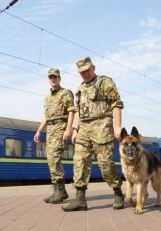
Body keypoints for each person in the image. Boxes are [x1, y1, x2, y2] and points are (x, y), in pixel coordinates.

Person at [62, 57, 125, 212]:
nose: (85, 74)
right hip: (84, 128)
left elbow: (116, 104)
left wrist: (117, 127)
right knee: (79, 161)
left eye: (87, 70)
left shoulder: (105, 82)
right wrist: (76, 130)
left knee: (105, 163)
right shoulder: (80, 88)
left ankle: (118, 192)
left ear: (94, 67)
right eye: (82, 72)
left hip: (102, 125)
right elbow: (78, 112)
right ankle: (80, 200)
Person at [34, 68, 75, 204]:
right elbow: (46, 116)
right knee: (50, 159)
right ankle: (58, 191)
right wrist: (39, 131)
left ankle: (60, 191)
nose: (53, 79)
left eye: (55, 77)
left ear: (59, 78)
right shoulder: (47, 97)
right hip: (50, 129)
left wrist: (68, 129)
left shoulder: (66, 93)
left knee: (55, 158)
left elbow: (71, 111)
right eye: (50, 77)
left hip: (60, 127)